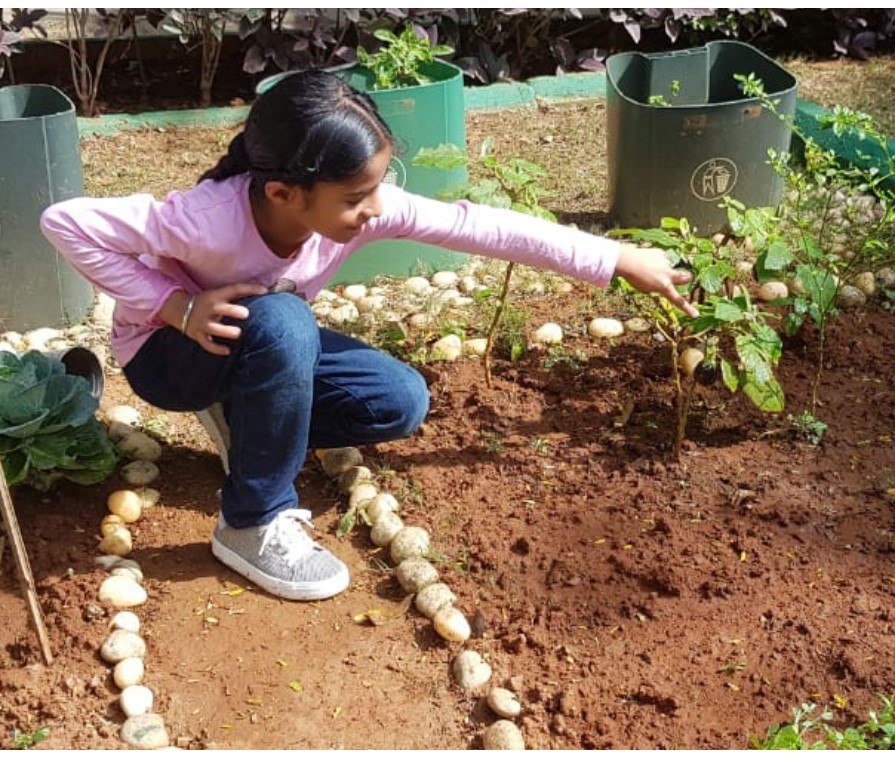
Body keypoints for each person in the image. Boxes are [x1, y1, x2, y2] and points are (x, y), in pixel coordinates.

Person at [39, 69, 694, 602]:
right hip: (169, 355)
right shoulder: (203, 220)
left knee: (398, 400)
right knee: (285, 321)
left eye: (377, 187)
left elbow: (481, 227)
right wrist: (175, 305)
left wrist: (613, 260)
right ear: (283, 192)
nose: (375, 208)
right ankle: (251, 523)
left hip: (257, 341)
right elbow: (64, 221)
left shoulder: (362, 206)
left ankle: (245, 413)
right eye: (357, 195)